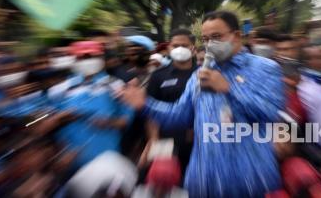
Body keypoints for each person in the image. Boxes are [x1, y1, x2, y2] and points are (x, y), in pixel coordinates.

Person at [121, 11, 285, 197]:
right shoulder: (200, 74)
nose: (210, 44)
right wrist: (145, 104)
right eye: (205, 39)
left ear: (237, 35)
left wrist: (229, 88)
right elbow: (179, 116)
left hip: (250, 179)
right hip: (204, 180)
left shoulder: (265, 68)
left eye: (216, 37)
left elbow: (270, 112)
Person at [49, 40, 134, 169]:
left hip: (108, 157)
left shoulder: (116, 86)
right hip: (72, 161)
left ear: (101, 58)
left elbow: (126, 119)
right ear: (74, 59)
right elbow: (50, 122)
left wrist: (109, 123)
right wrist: (61, 117)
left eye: (91, 56)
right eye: (82, 57)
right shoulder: (59, 90)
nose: (87, 60)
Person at [145, 28, 197, 175]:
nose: (179, 49)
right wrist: (153, 140)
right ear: (169, 48)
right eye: (175, 45)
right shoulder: (158, 76)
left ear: (193, 49)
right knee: (167, 180)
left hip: (198, 140)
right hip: (166, 139)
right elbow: (151, 110)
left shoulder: (202, 74)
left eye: (184, 45)